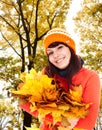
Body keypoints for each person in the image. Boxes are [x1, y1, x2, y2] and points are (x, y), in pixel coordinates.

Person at [42, 28, 101, 130]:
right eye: (50, 52)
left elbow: (87, 123)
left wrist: (48, 114)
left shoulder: (90, 77)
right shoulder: (46, 74)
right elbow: (26, 104)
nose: (55, 55)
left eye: (60, 47)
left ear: (70, 48)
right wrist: (62, 119)